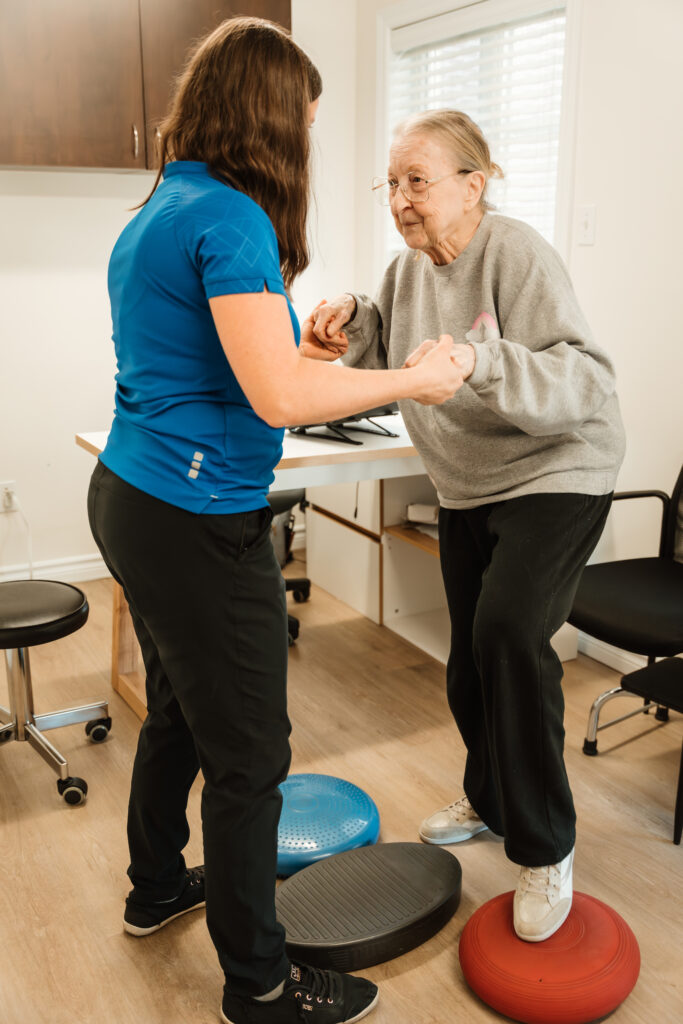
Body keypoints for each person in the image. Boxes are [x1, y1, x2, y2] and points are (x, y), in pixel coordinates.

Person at [87, 22, 463, 1024]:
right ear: (267, 114)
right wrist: (415, 376)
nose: (307, 134)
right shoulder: (236, 217)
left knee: (176, 709)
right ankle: (259, 983)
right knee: (250, 756)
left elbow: (224, 360)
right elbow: (273, 400)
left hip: (135, 497)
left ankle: (155, 885)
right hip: (195, 517)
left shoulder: (168, 201)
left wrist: (310, 340)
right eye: (303, 116)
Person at [306, 109, 626, 944]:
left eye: (418, 181)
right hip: (467, 485)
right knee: (468, 666)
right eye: (393, 184)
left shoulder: (513, 253)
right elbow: (390, 342)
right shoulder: (407, 267)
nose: (401, 200)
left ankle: (544, 846)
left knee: (512, 636)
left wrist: (480, 361)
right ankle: (489, 800)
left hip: (558, 467)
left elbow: (583, 378)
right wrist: (351, 320)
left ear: (472, 185)